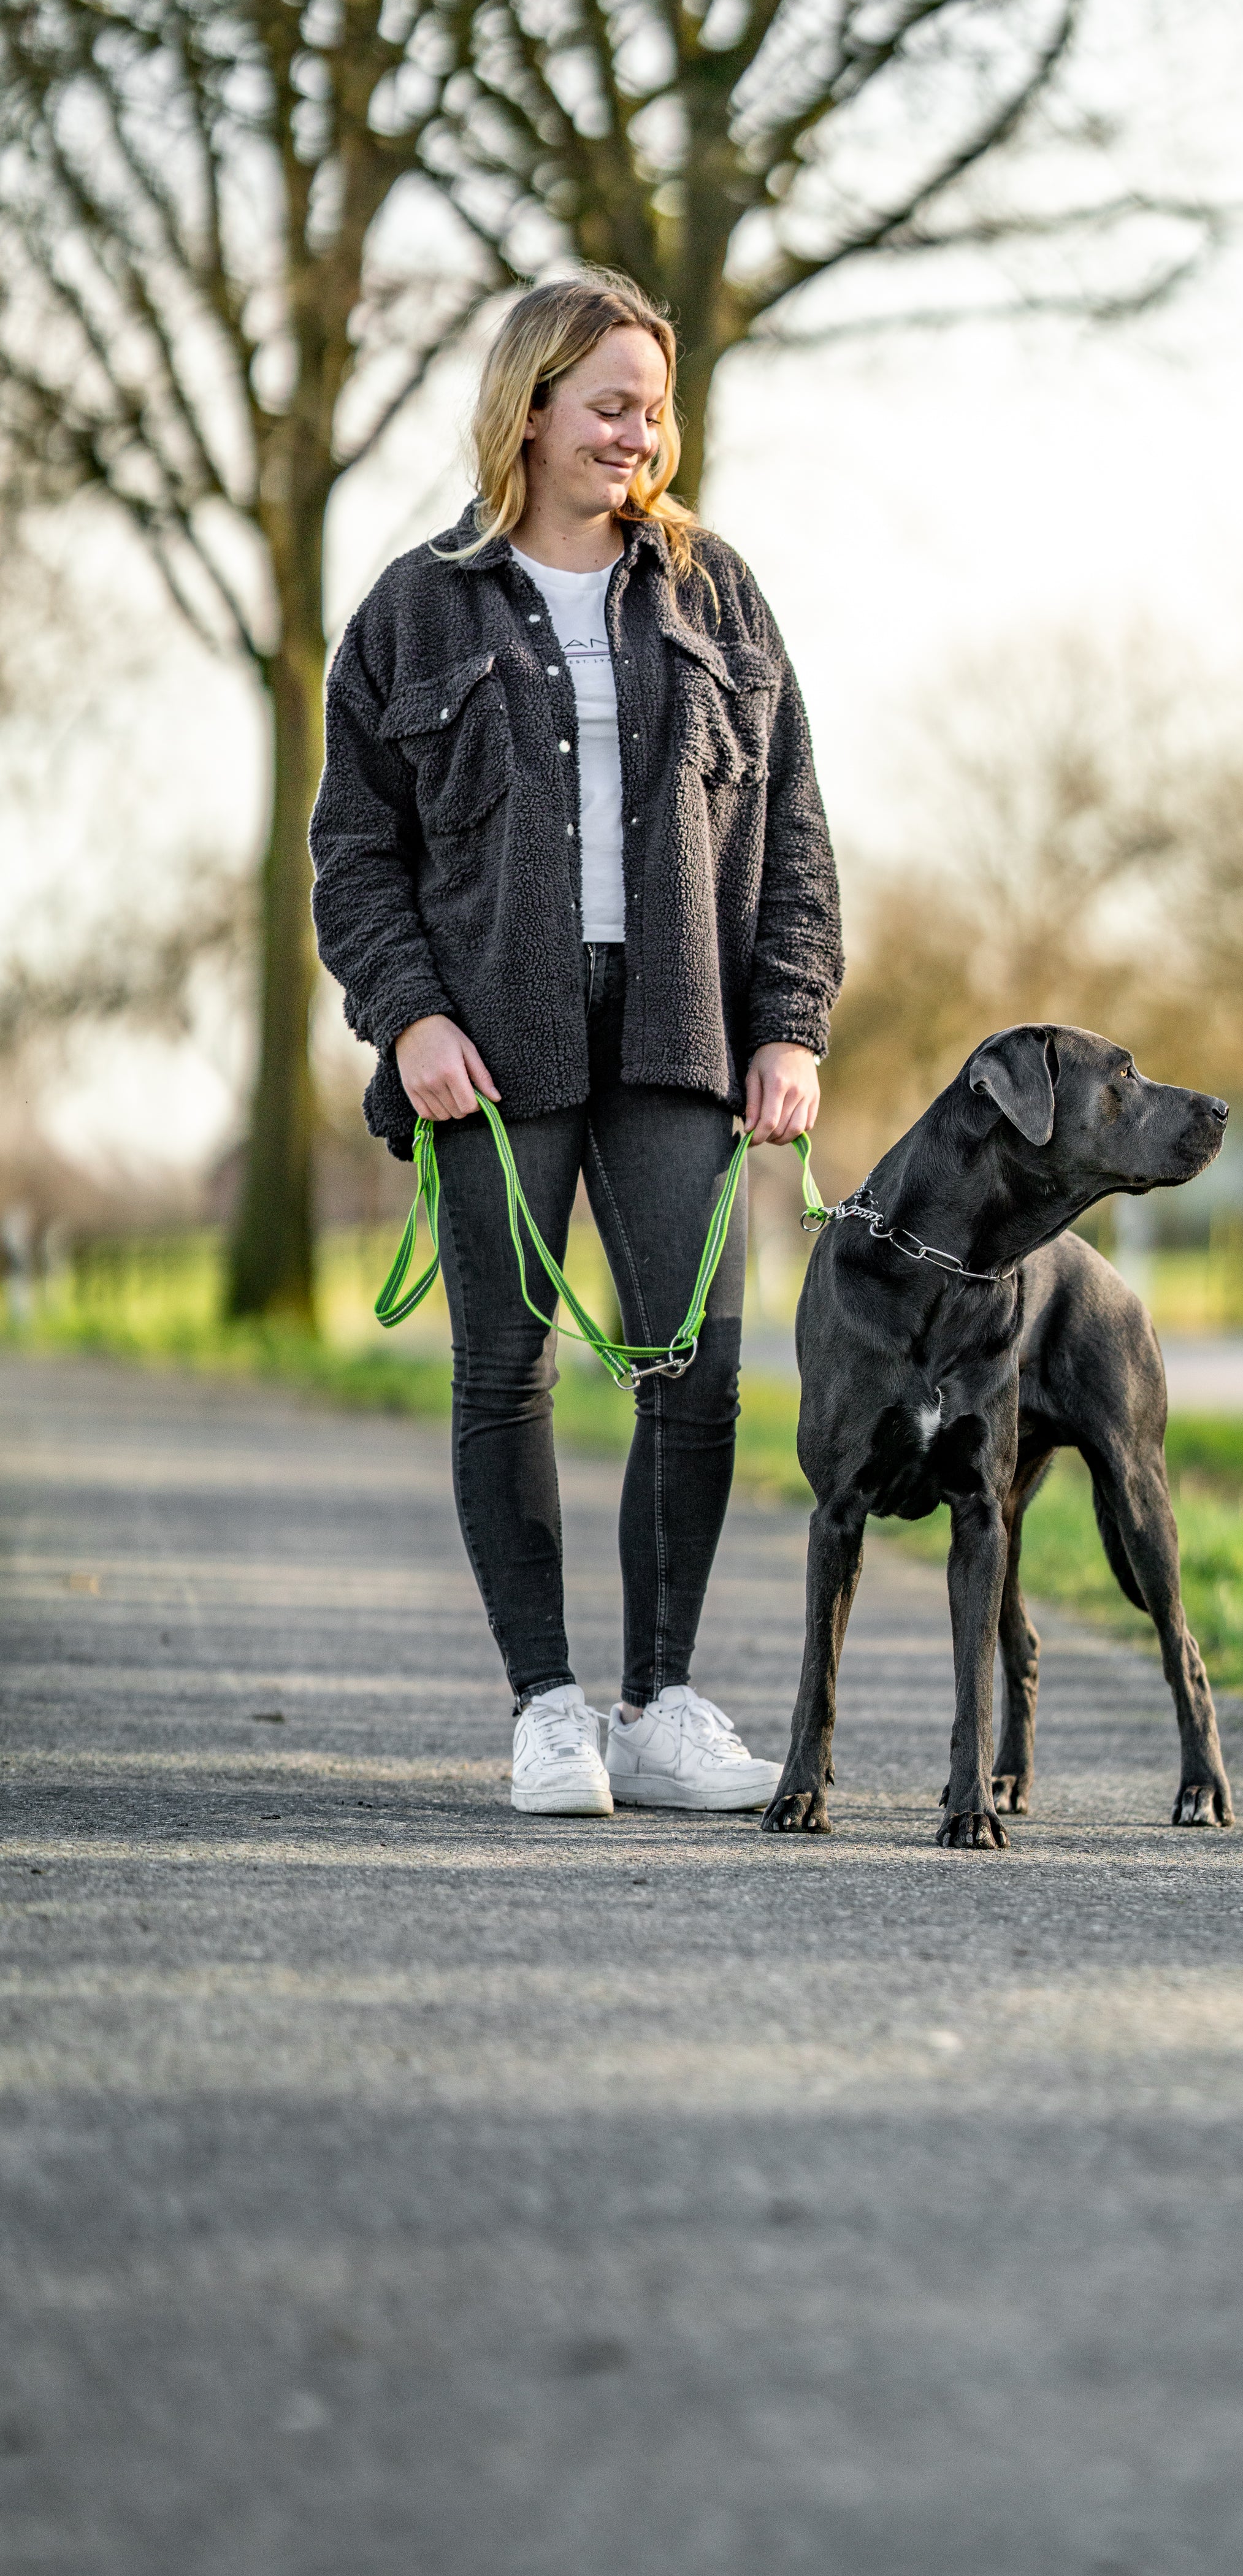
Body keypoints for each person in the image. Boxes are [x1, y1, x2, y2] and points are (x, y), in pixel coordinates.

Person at [310, 270, 843, 1817]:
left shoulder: (716, 591)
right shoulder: (415, 607)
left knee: (699, 1371)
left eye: (655, 405)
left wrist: (791, 1023)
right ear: (530, 405)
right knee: (506, 1374)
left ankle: (662, 1703)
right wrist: (407, 1011)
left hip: (686, 1031)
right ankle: (547, 1708)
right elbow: (356, 846)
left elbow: (795, 823)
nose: (640, 432)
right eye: (611, 402)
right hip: (490, 1044)